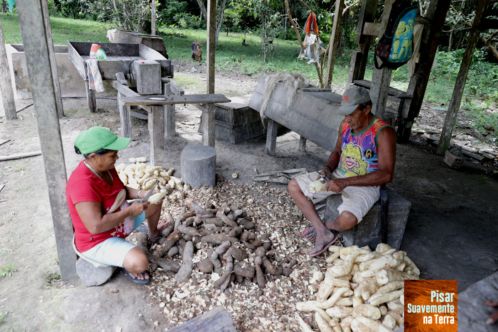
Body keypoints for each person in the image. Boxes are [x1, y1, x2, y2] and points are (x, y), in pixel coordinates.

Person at [288, 85, 396, 257]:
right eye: (345, 114)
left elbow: (386, 174)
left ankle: (327, 225)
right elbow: (338, 152)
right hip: (338, 176)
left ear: (367, 109)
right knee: (294, 186)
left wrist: (346, 182)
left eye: (351, 114)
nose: (347, 119)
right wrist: (328, 169)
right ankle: (322, 232)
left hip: (366, 184)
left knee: (347, 220)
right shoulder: (345, 125)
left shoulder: (383, 132)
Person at [66, 126, 166, 285]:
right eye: (113, 155)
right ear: (93, 157)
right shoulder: (82, 184)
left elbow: (121, 191)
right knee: (141, 263)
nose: (117, 157)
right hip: (97, 240)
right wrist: (130, 212)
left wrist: (140, 194)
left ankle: (153, 234)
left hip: (117, 222)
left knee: (155, 202)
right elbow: (95, 226)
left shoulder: (106, 167)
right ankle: (130, 267)